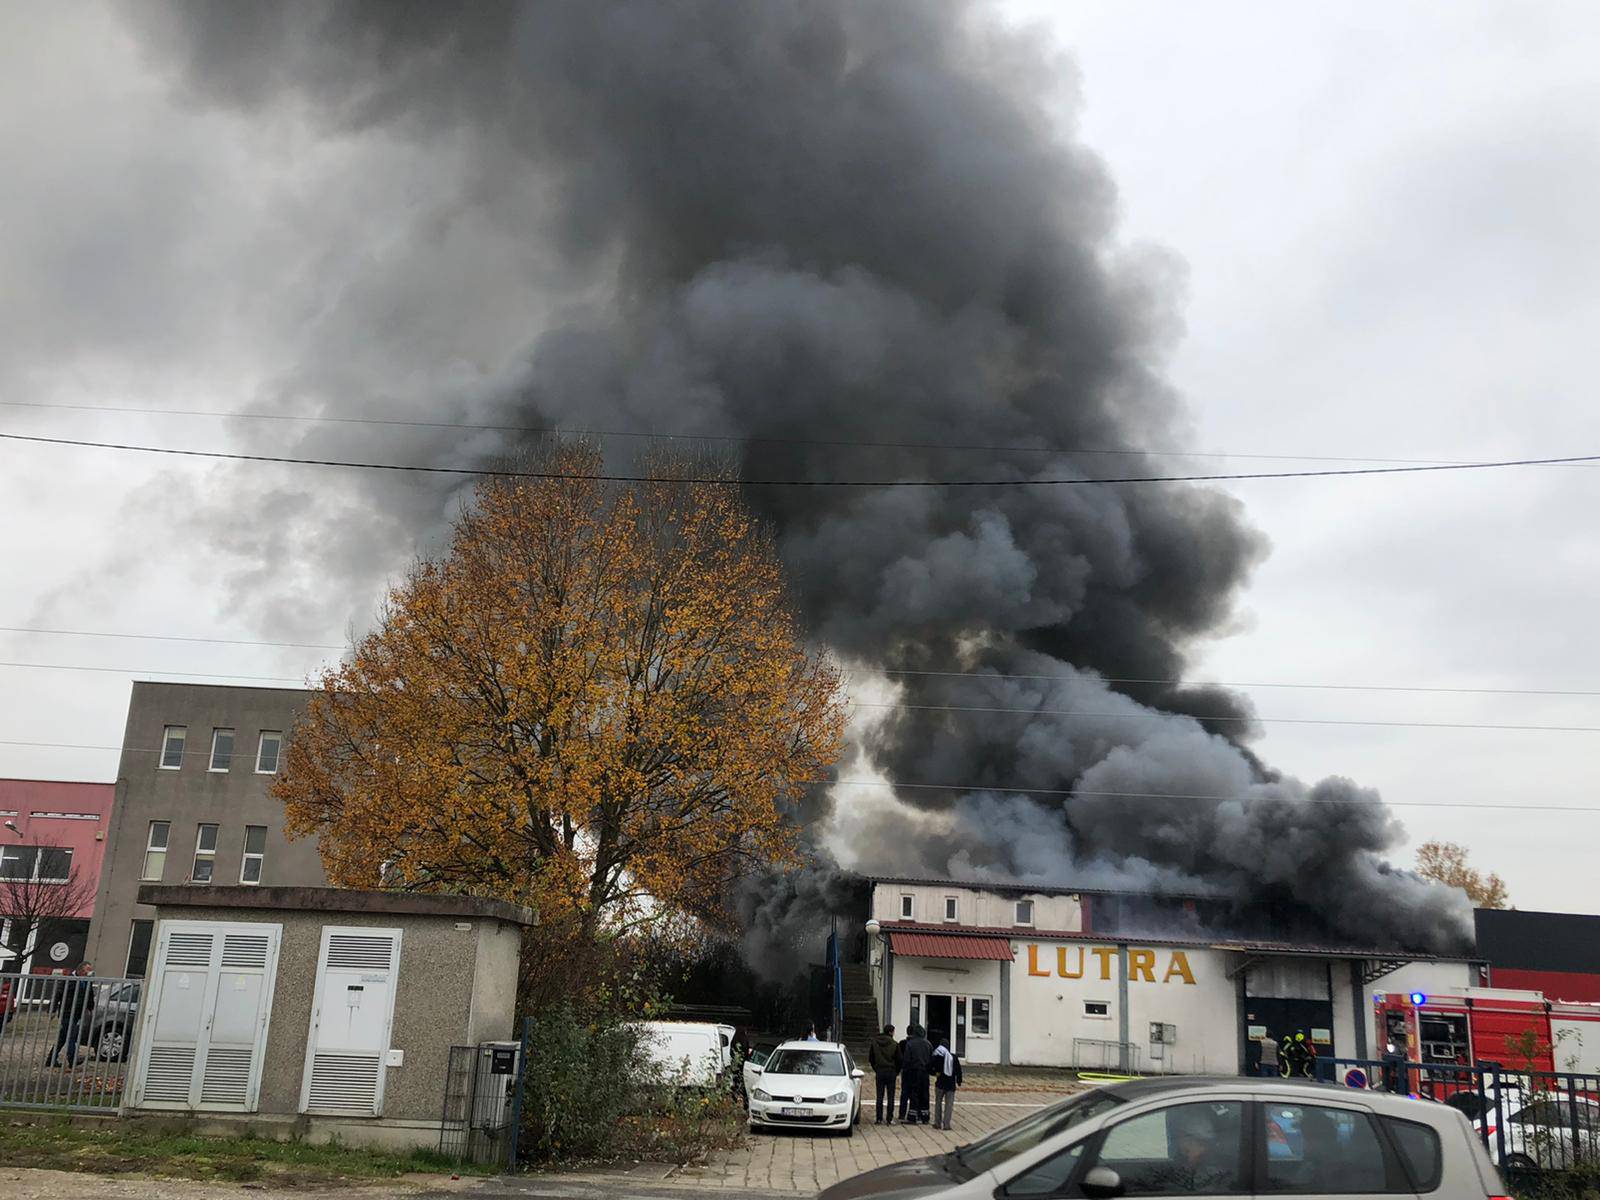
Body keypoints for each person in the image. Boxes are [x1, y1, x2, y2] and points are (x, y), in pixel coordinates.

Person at [45, 963, 95, 1069]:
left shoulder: (87, 981)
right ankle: (72, 1059)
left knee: (63, 1037)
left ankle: (51, 1060)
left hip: (78, 1013)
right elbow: (57, 994)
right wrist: (52, 1009)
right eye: (88, 970)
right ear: (81, 970)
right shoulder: (68, 980)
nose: (90, 973)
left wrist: (90, 1008)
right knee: (71, 1035)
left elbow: (89, 995)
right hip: (67, 1012)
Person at [898, 1022, 933, 1125]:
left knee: (914, 1093)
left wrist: (905, 1070)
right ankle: (925, 1116)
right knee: (925, 1094)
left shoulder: (910, 1044)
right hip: (925, 1072)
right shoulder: (928, 1044)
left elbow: (907, 1060)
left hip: (914, 1072)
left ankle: (913, 1116)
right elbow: (931, 1059)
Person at [867, 1022, 901, 1124]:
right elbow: (899, 1060)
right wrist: (896, 1071)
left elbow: (871, 1058)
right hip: (891, 1072)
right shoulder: (895, 1044)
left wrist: (876, 1068)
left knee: (879, 1096)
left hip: (880, 1071)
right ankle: (889, 1118)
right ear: (891, 1032)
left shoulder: (875, 1043)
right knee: (891, 1096)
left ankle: (879, 1118)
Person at [931, 1034, 963, 1130]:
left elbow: (929, 1066)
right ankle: (946, 1124)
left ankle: (937, 1123)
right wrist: (959, 1081)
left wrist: (935, 1073)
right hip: (950, 1084)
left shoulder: (937, 1056)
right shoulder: (953, 1057)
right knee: (949, 1105)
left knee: (938, 1103)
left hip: (940, 1083)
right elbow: (958, 1070)